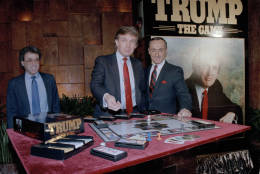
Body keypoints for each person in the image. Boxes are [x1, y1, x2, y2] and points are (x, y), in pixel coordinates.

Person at [90, 26, 146, 117]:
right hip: (109, 115)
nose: (128, 45)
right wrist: (106, 97)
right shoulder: (103, 61)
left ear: (135, 45)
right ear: (117, 42)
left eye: (132, 41)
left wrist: (143, 110)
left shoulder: (138, 64)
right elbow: (95, 85)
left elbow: (142, 90)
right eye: (124, 40)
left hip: (135, 114)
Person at [6, 46, 60, 128]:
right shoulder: (14, 84)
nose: (34, 63)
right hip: (26, 130)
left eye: (36, 59)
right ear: (22, 63)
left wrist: (57, 126)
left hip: (49, 128)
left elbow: (56, 107)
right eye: (29, 60)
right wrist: (13, 134)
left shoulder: (49, 79)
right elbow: (11, 112)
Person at [185, 50, 243, 124]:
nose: (210, 73)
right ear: (196, 68)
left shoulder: (215, 85)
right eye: (205, 67)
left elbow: (234, 107)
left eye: (214, 68)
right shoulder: (183, 87)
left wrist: (232, 113)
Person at [146, 37, 192, 117]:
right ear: (149, 51)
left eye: (160, 50)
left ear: (166, 51)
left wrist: (185, 108)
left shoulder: (175, 71)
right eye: (153, 50)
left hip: (166, 120)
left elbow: (183, 94)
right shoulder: (144, 71)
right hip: (145, 119)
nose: (157, 54)